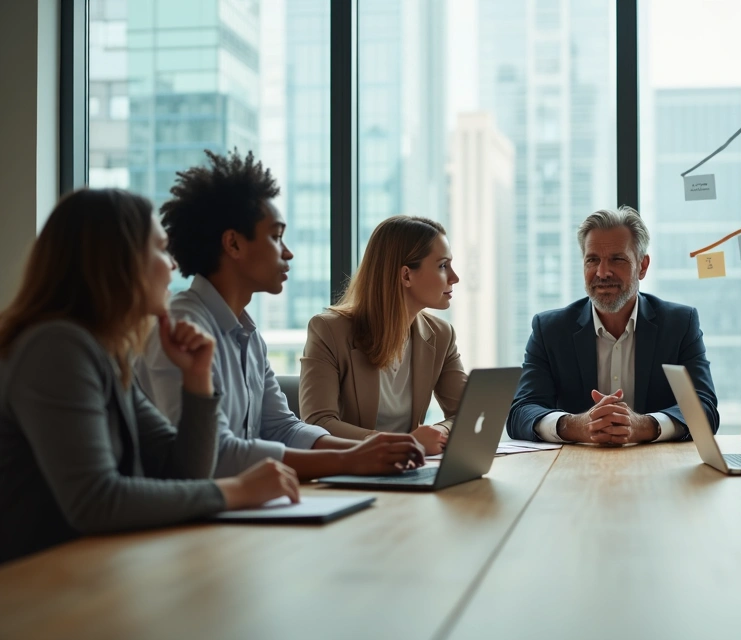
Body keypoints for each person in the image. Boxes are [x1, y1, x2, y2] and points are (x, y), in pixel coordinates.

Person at [0, 189, 299, 563]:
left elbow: (185, 473)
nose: (172, 265)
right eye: (160, 249)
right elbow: (96, 501)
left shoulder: (105, 355)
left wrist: (197, 378)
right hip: (30, 583)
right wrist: (236, 490)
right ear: (118, 261)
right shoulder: (56, 347)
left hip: (81, 571)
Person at [136, 150, 425, 479]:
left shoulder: (248, 335)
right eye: (275, 237)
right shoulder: (182, 329)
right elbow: (214, 456)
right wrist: (349, 460)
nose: (288, 253)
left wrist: (374, 449)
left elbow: (283, 428)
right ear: (233, 244)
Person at [507, 206, 718, 444]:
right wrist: (576, 426)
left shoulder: (679, 325)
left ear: (642, 266)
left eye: (617, 259)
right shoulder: (550, 330)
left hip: (659, 463)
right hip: (574, 464)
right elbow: (521, 412)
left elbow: (705, 408)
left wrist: (645, 426)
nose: (602, 272)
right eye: (592, 260)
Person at [300, 216, 466, 455]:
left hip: (409, 467)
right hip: (351, 468)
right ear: (406, 275)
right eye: (442, 266)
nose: (454, 277)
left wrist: (438, 431)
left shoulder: (441, 335)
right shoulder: (329, 331)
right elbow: (318, 423)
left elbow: (466, 413)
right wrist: (404, 443)